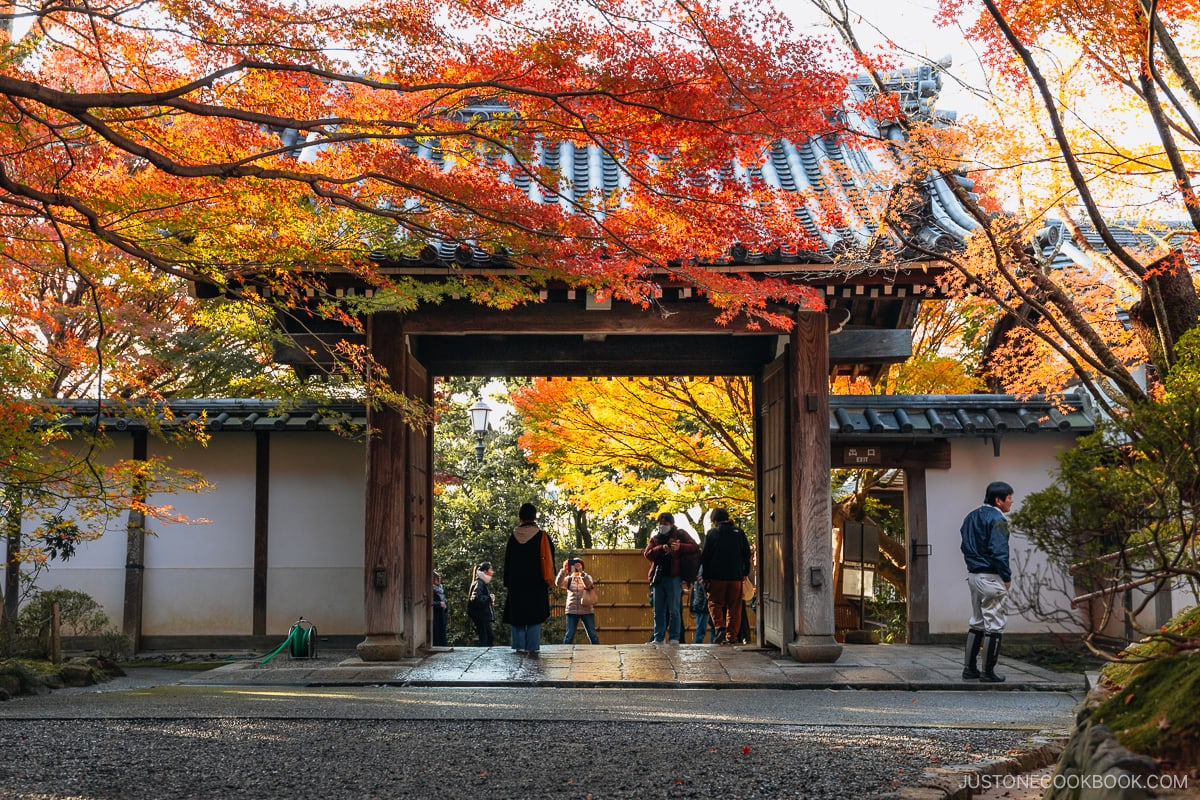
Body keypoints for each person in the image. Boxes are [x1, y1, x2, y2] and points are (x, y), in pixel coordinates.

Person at [960, 481, 1015, 683]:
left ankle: (969, 668)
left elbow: (964, 545)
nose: (1011, 502)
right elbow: (999, 551)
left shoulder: (971, 517)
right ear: (998, 500)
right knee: (995, 624)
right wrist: (1006, 577)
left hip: (974, 575)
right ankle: (988, 671)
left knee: (977, 621)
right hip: (992, 575)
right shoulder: (997, 519)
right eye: (1009, 498)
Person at [503, 502, 555, 656]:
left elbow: (508, 561)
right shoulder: (542, 536)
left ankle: (519, 647)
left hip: (516, 584)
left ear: (520, 517)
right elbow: (550, 559)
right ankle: (532, 647)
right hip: (536, 583)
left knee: (518, 616)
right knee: (534, 615)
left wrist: (507, 582)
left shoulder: (513, 537)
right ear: (534, 516)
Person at [643, 512, 699, 644]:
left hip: (674, 577)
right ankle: (659, 637)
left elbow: (694, 547)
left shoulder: (680, 534)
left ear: (672, 524)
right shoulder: (655, 538)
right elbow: (648, 554)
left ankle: (674, 637)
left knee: (674, 609)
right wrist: (661, 548)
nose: (662, 526)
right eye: (660, 524)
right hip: (658, 577)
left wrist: (680, 547)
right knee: (658, 610)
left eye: (665, 524)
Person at [699, 507, 751, 645]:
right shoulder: (739, 533)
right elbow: (746, 553)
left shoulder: (712, 534)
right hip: (736, 577)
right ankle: (731, 637)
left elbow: (705, 557)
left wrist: (705, 576)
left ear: (715, 521)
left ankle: (720, 627)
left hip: (716, 577)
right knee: (734, 608)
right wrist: (745, 572)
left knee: (714, 603)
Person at [557, 557, 600, 645]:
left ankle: (597, 653)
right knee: (569, 636)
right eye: (575, 565)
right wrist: (563, 571)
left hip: (587, 610)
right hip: (571, 610)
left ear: (582, 567)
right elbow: (558, 583)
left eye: (579, 565)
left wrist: (581, 573)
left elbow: (588, 585)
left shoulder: (587, 577)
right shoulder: (569, 579)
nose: (576, 567)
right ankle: (565, 655)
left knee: (593, 635)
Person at [466, 562, 496, 647]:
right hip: (480, 614)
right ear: (485, 571)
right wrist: (489, 598)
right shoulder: (479, 583)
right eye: (491, 569)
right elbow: (475, 598)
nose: (492, 572)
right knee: (485, 638)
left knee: (489, 637)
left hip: (482, 614)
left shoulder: (482, 583)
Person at [689, 569, 717, 643]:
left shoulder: (700, 568)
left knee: (706, 627)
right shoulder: (703, 569)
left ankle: (710, 642)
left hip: (703, 602)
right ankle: (704, 643)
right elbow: (703, 584)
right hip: (703, 603)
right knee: (702, 628)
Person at [432, 570, 448, 647]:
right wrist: (438, 604)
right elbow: (429, 602)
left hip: (441, 615)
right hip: (435, 616)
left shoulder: (440, 589)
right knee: (436, 634)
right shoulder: (431, 590)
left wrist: (445, 606)